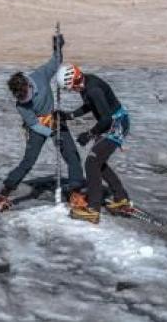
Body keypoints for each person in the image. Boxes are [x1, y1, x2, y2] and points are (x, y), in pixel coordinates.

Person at [0, 35, 86, 212]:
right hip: (38, 127)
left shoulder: (39, 76)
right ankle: (5, 191)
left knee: (72, 155)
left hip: (55, 118)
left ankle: (76, 192)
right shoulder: (21, 105)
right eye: (20, 98)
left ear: (29, 85)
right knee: (29, 161)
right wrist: (51, 132)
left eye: (25, 95)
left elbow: (56, 62)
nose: (24, 100)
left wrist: (57, 47)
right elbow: (33, 124)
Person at [56, 64, 132, 224]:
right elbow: (89, 105)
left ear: (75, 81)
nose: (72, 91)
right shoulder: (86, 84)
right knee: (98, 162)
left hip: (116, 124)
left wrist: (90, 134)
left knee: (91, 162)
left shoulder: (93, 89)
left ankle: (93, 209)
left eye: (70, 88)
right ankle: (121, 198)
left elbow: (106, 119)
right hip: (112, 123)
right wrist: (69, 115)